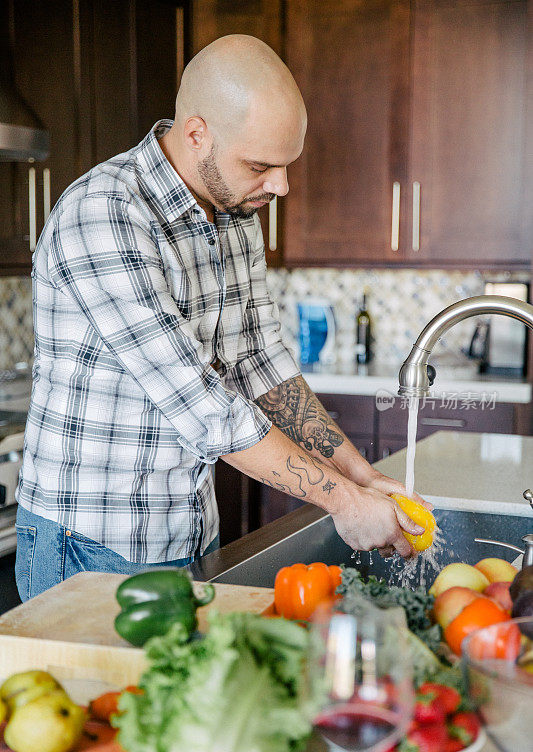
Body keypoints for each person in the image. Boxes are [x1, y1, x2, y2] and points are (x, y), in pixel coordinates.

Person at [15, 34, 428, 601]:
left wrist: (362, 474)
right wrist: (343, 501)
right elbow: (204, 406)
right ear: (196, 133)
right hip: (89, 543)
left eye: (286, 166)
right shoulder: (105, 213)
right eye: (261, 164)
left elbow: (261, 362)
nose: (280, 186)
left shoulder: (235, 211)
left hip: (188, 533)